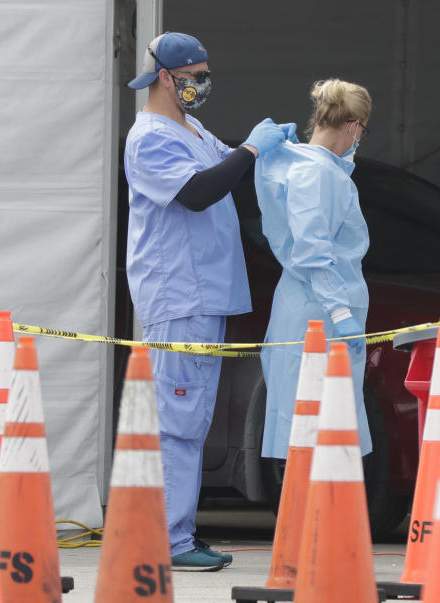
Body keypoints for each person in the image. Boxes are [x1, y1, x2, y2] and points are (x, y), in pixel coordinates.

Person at [124, 32, 293, 571]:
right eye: (194, 77)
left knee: (191, 418)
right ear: (165, 77)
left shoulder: (189, 127)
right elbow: (198, 192)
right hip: (179, 294)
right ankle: (170, 541)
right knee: (177, 420)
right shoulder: (150, 138)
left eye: (205, 75)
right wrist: (249, 147)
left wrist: (281, 152)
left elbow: (231, 172)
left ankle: (178, 534)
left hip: (203, 295)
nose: (202, 85)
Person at [256, 78, 373, 466]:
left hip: (309, 309)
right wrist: (341, 313)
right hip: (320, 315)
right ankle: (317, 525)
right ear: (355, 126)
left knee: (314, 429)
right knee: (317, 432)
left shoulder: (298, 166)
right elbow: (312, 252)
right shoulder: (318, 174)